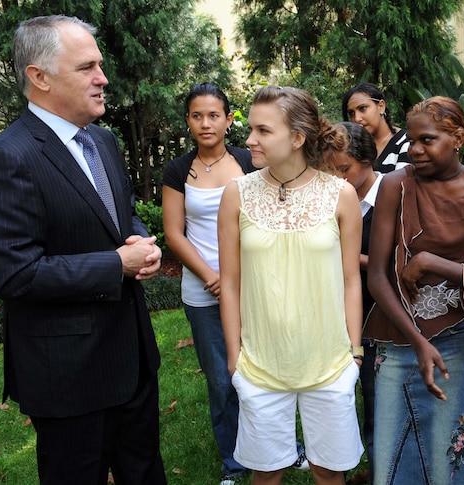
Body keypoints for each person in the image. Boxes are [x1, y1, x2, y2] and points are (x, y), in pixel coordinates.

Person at [0, 15, 166, 484]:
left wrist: (138, 237)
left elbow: (116, 216)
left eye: (99, 65)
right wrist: (118, 264)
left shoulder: (102, 139)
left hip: (133, 359)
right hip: (68, 376)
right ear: (39, 77)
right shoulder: (9, 157)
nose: (103, 79)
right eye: (86, 68)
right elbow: (17, 274)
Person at [363, 96, 464, 484]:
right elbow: (377, 277)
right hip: (396, 337)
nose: (414, 150)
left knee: (450, 453)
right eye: (411, 141)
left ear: (458, 137)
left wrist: (431, 262)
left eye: (427, 140)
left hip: (454, 339)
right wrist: (416, 341)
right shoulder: (395, 186)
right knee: (391, 452)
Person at [218, 85, 364, 485]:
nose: (249, 140)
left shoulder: (341, 195)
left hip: (330, 365)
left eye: (263, 131)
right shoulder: (236, 195)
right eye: (251, 129)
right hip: (260, 365)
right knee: (265, 474)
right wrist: (235, 359)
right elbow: (229, 285)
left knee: (329, 472)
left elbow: (352, 279)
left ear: (297, 138)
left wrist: (353, 354)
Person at [162, 83, 253, 485]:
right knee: (221, 379)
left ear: (229, 119)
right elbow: (174, 234)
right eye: (197, 115)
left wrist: (238, 278)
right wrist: (213, 277)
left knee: (263, 372)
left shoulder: (250, 162)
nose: (205, 123)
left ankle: (279, 446)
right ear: (188, 121)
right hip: (203, 291)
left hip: (253, 286)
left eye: (214, 115)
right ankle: (234, 463)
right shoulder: (178, 170)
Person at [319, 120, 382, 484]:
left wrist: (344, 257)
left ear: (368, 159)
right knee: (339, 403)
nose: (338, 178)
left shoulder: (390, 194)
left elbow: (394, 262)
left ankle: (379, 470)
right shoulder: (327, 198)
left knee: (376, 405)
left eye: (344, 169)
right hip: (333, 315)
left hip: (378, 318)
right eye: (329, 170)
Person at [342, 83, 410, 173]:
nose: (357, 118)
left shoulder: (406, 143)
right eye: (351, 113)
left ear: (381, 106)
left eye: (362, 108)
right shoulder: (352, 147)